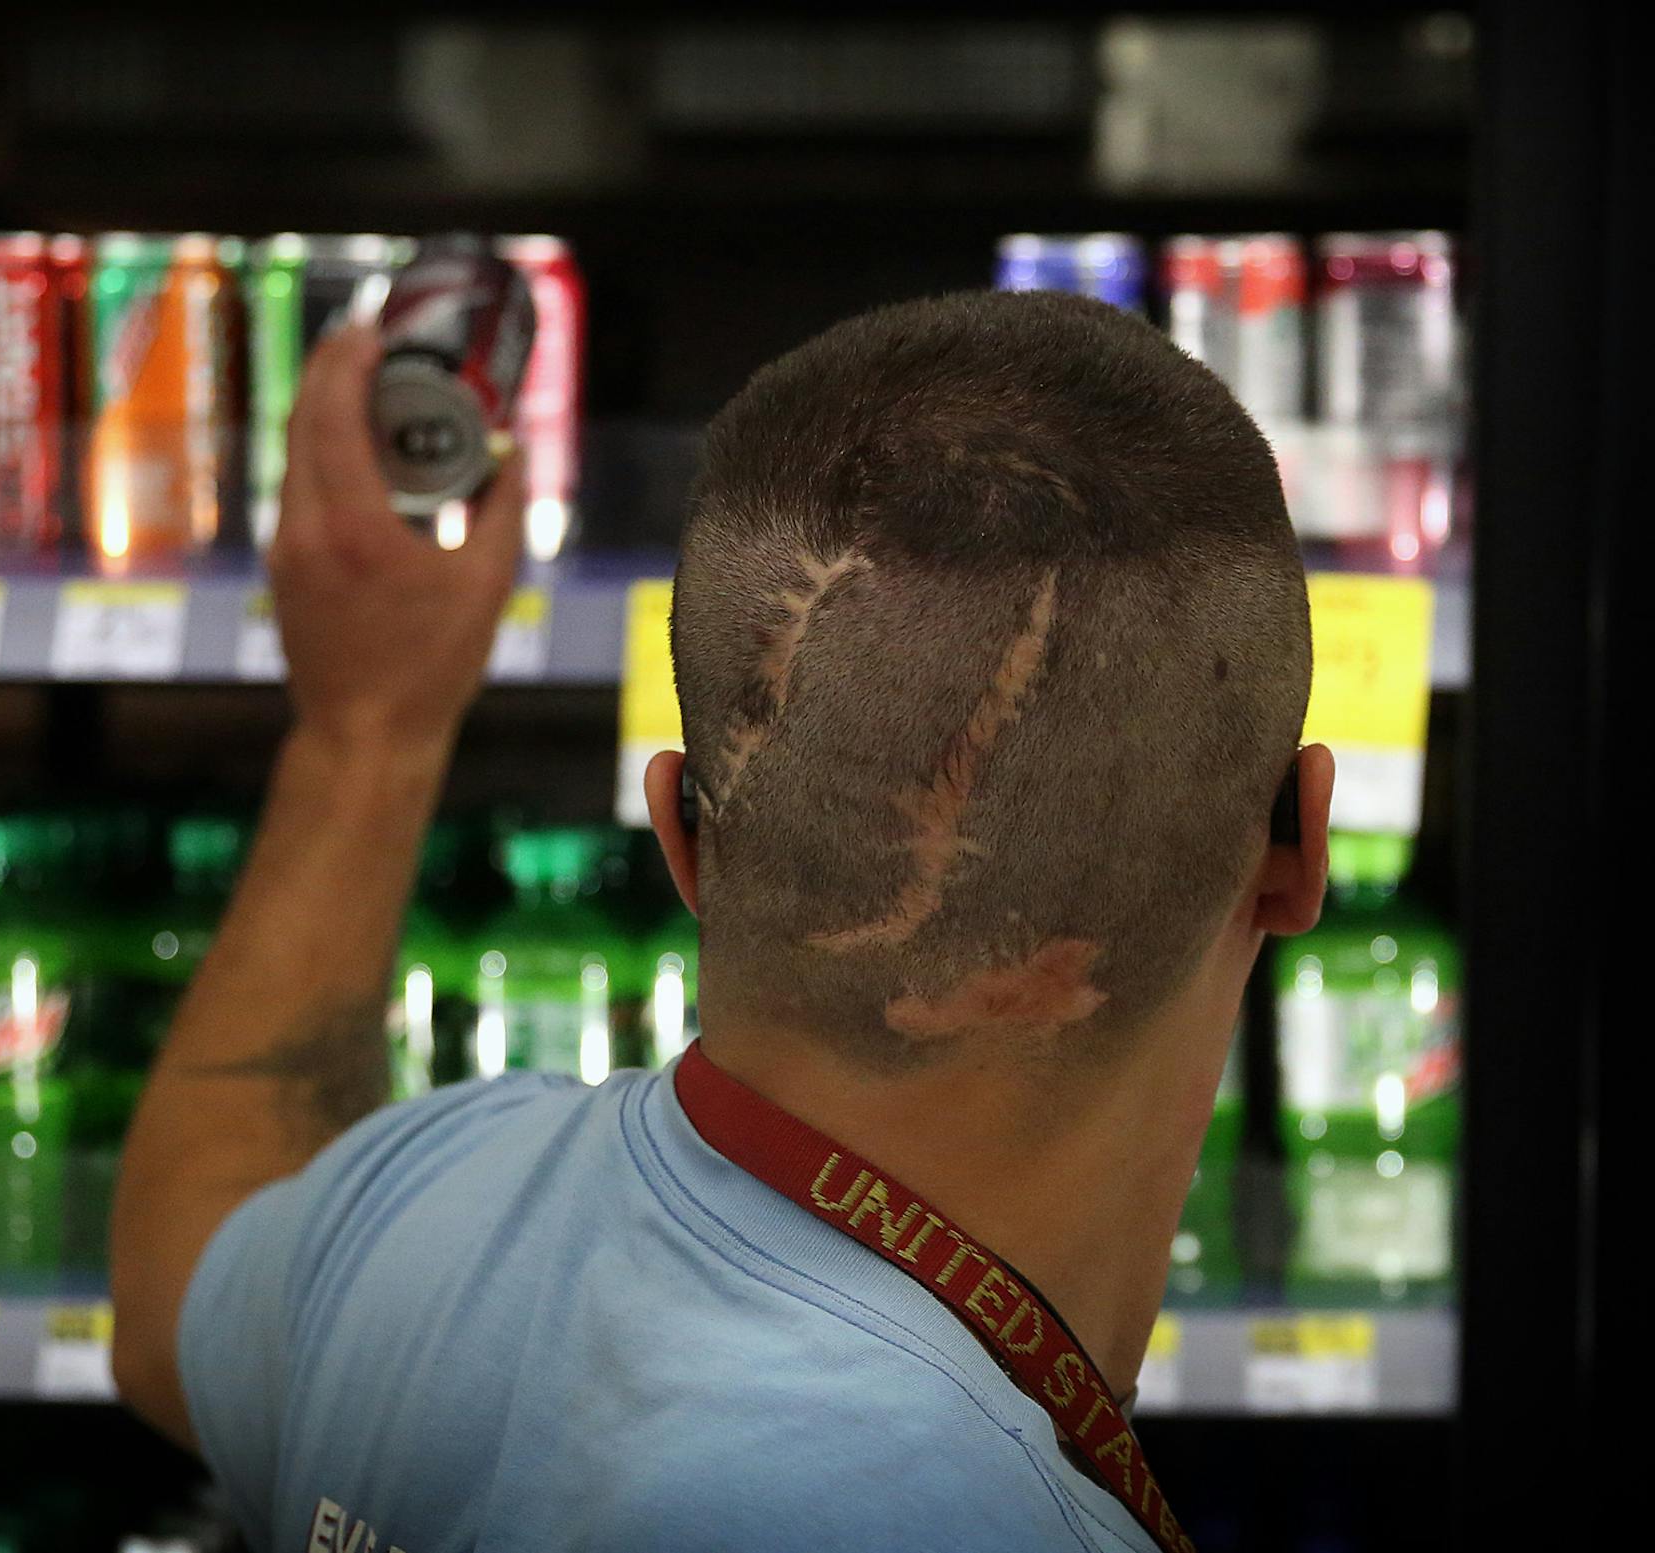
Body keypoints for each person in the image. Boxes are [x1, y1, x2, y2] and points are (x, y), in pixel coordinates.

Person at [110, 291, 1332, 1552]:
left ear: (683, 840)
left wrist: (366, 732)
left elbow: (165, 1303)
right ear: (1299, 852)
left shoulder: (418, 1194)